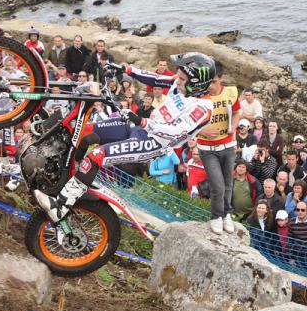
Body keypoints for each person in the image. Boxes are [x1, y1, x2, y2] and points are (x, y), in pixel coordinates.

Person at [34, 52, 216, 241]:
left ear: (196, 83)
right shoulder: (179, 84)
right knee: (84, 131)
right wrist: (125, 69)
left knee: (96, 156)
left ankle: (61, 205)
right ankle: (60, 172)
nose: (177, 80)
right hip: (138, 128)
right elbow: (154, 77)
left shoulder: (203, 108)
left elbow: (177, 131)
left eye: (182, 78)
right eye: (178, 76)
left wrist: (143, 122)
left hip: (152, 143)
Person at [196, 60, 241, 234]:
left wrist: (234, 127)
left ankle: (226, 214)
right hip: (207, 148)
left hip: (228, 145)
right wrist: (203, 131)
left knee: (229, 184)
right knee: (217, 185)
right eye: (207, 82)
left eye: (213, 82)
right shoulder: (198, 96)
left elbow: (237, 112)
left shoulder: (231, 93)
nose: (210, 86)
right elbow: (189, 122)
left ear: (221, 79)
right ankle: (216, 216)